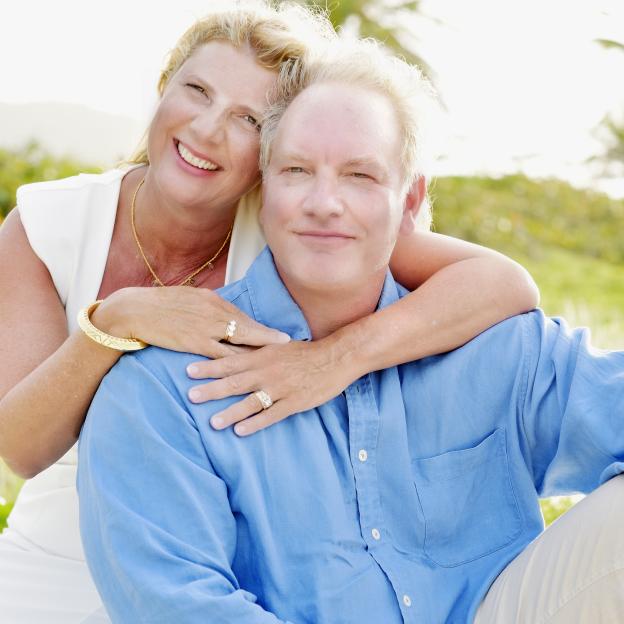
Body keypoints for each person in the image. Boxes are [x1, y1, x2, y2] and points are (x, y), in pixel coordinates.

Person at [0, 3, 538, 623]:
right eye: (196, 91)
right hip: (54, 566)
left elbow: (502, 283)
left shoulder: (294, 227)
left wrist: (332, 360)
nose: (206, 129)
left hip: (229, 577)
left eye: (246, 118)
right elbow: (20, 447)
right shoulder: (49, 225)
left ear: (273, 146)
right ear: (162, 87)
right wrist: (117, 320)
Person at [79, 37, 624, 623]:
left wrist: (342, 357)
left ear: (408, 200)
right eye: (296, 171)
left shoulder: (498, 348)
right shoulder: (163, 388)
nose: (325, 203)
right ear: (264, 192)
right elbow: (178, 604)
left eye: (360, 176)